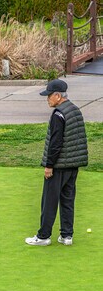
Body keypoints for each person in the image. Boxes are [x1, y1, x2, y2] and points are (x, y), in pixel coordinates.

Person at [25, 79, 88, 246]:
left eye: (49, 96)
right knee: (67, 200)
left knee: (49, 201)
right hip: (72, 166)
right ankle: (67, 236)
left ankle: (44, 236)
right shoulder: (74, 110)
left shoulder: (58, 114)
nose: (47, 99)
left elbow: (55, 143)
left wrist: (49, 165)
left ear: (58, 96)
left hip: (59, 166)